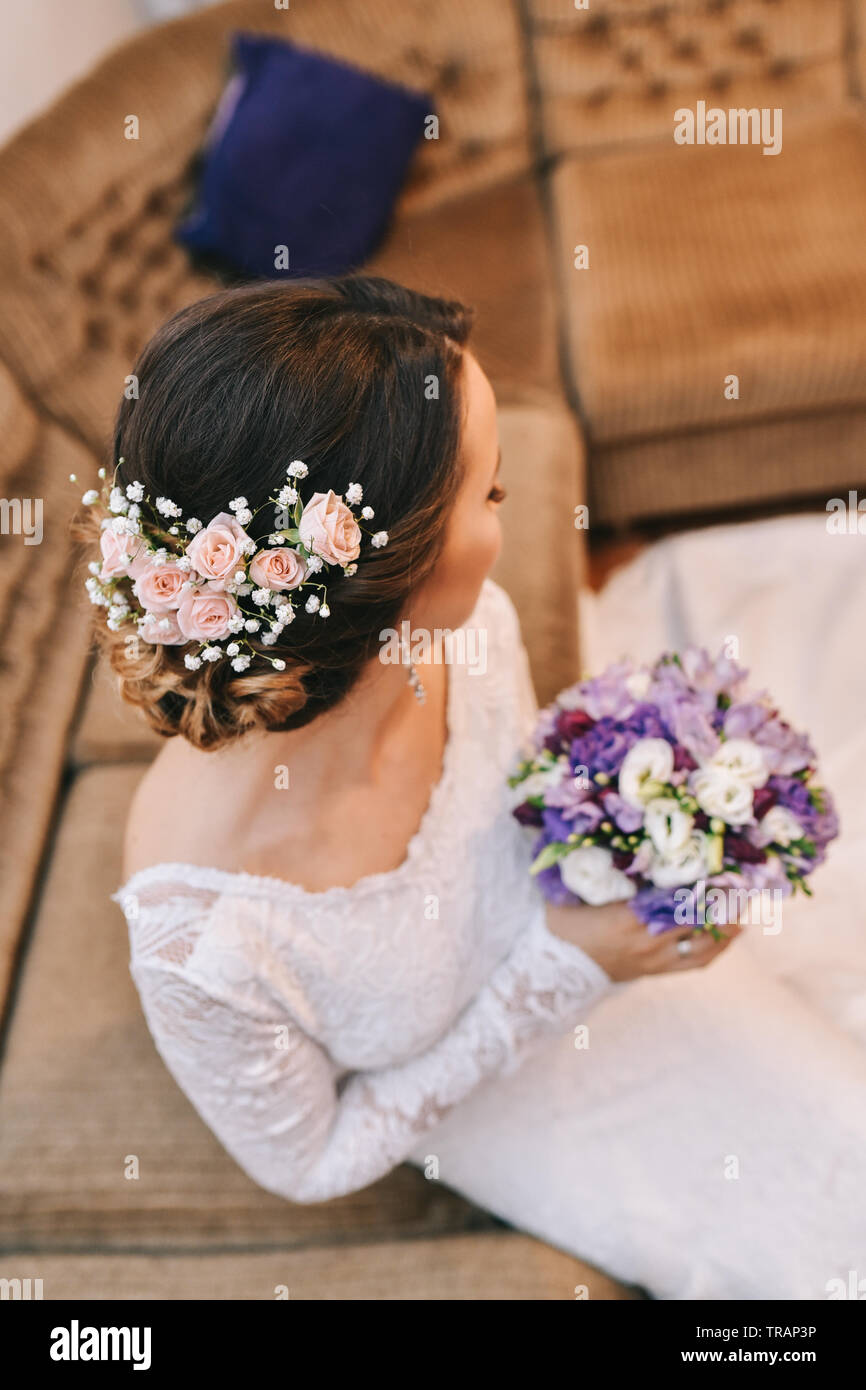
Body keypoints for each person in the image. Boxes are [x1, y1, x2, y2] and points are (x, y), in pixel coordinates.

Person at [92, 276, 865, 1299]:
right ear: (394, 569)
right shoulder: (207, 939)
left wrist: (628, 808)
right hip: (500, 1087)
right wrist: (561, 970)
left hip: (597, 940)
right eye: (490, 494)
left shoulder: (468, 630)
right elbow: (307, 1162)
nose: (506, 514)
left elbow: (519, 777)